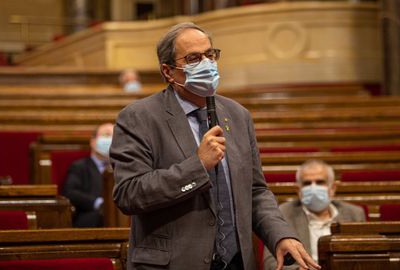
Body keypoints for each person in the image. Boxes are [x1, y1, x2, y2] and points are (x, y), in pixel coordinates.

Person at [110, 22, 320, 270]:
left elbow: (255, 191)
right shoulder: (139, 117)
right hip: (175, 263)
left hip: (236, 262)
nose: (207, 63)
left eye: (210, 54)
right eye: (193, 58)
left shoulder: (237, 114)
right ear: (168, 71)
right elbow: (129, 194)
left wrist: (280, 235)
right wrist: (197, 166)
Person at [263, 160, 366, 270]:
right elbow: (270, 263)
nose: (313, 188)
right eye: (307, 183)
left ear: (333, 188)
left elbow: (365, 257)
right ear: (298, 190)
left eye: (320, 182)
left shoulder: (354, 213)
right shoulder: (283, 212)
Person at [62, 122, 114, 227]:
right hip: (90, 219)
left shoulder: (123, 167)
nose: (111, 140)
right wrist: (98, 203)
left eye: (115, 136)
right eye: (106, 135)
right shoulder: (79, 167)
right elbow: (70, 192)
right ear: (93, 141)